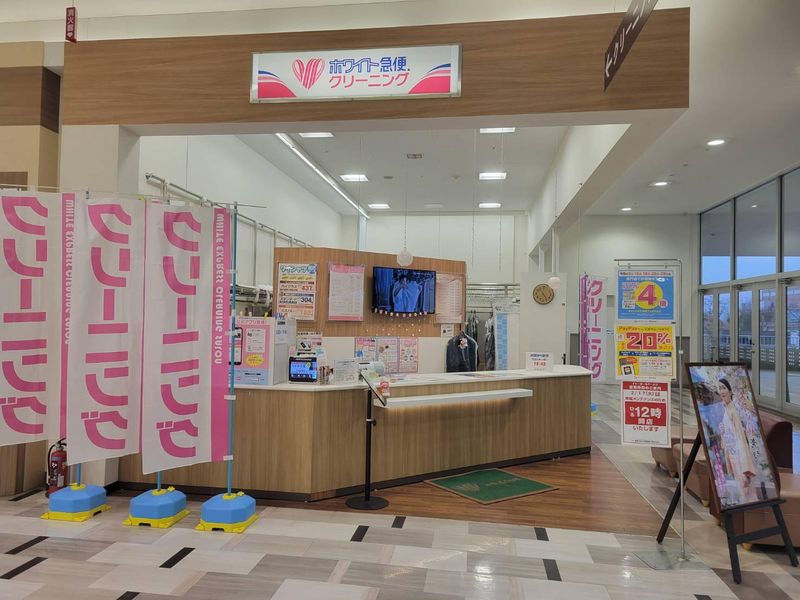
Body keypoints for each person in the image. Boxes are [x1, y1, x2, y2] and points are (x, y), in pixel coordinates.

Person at [718, 377, 759, 504]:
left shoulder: (733, 410)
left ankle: (748, 507)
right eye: (720, 388)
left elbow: (740, 436)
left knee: (744, 485)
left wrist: (743, 460)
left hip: (738, 453)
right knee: (741, 485)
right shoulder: (727, 409)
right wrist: (722, 431)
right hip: (732, 453)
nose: (722, 391)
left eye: (724, 388)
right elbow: (728, 434)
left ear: (730, 391)